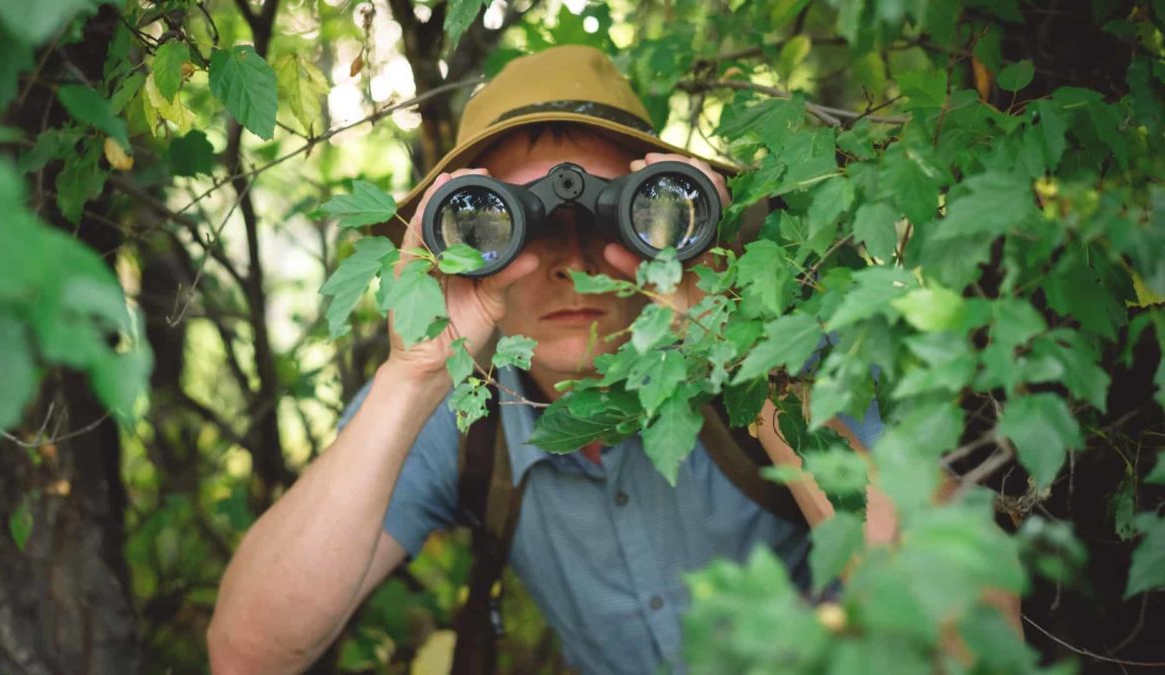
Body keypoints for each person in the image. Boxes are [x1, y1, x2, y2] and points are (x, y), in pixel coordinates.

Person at [207, 45, 884, 675]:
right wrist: (411, 379)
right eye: (509, 225)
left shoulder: (779, 360)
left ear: (672, 217)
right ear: (461, 244)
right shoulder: (464, 405)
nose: (572, 264)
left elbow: (960, 623)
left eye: (617, 217)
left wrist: (739, 349)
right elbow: (248, 653)